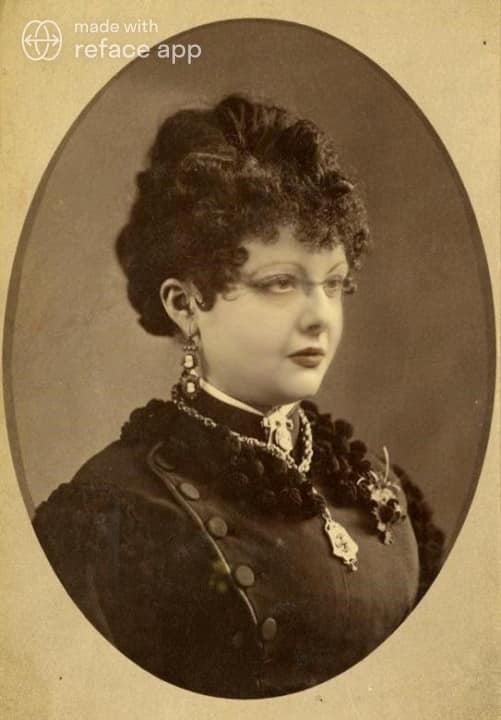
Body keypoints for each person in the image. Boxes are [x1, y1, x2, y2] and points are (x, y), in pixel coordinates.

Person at [32, 94, 444, 698]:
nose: (320, 317)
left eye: (332, 284)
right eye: (279, 284)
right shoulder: (117, 513)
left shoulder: (381, 488)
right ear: (185, 303)